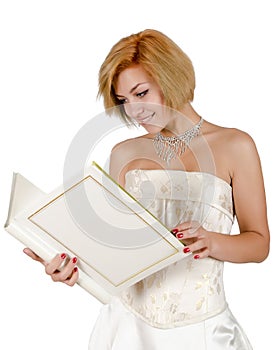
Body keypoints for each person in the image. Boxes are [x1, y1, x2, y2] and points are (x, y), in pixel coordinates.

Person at [24, 29, 270, 349]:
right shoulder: (123, 154)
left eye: (141, 93)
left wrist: (212, 242)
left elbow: (259, 244)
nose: (134, 111)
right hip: (127, 330)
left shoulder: (235, 145)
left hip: (202, 331)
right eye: (124, 101)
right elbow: (114, 253)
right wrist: (71, 269)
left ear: (171, 77)